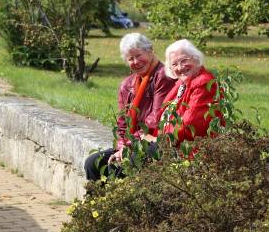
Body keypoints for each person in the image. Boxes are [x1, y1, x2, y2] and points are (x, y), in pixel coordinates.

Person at [84, 33, 175, 180]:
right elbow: (122, 125)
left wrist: (128, 147)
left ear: (150, 51)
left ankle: (122, 201)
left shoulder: (163, 76)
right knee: (93, 162)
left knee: (132, 162)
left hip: (153, 141)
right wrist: (121, 148)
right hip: (131, 143)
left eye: (139, 55)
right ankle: (98, 201)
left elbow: (155, 120)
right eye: (130, 59)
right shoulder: (127, 85)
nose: (136, 62)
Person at [152, 39, 223, 150]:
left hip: (189, 151)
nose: (180, 67)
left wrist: (157, 140)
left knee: (132, 159)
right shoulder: (181, 83)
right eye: (174, 64)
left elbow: (189, 125)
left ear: (196, 59)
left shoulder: (204, 83)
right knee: (121, 154)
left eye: (184, 61)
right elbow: (162, 119)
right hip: (169, 145)